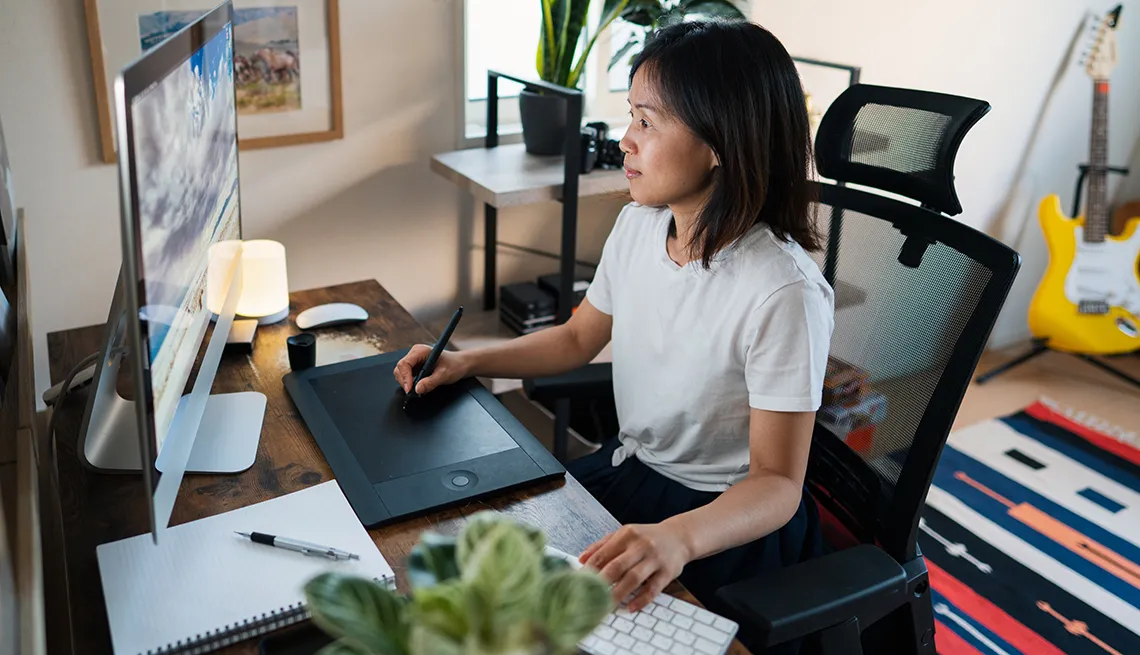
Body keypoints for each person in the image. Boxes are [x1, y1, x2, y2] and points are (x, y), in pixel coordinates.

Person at [394, 18, 834, 635]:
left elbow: (778, 483)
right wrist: (467, 361)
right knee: (468, 574)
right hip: (631, 470)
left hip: (718, 523)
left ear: (719, 142)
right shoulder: (639, 226)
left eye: (646, 122)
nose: (625, 140)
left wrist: (678, 539)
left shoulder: (782, 291)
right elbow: (577, 338)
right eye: (631, 116)